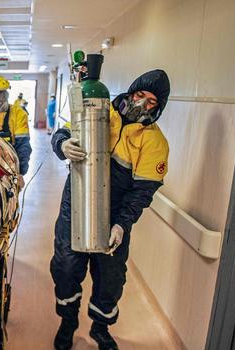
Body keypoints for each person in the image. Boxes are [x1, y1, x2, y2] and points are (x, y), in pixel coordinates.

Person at [50, 70, 170, 350]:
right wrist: (63, 145)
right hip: (77, 203)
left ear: (158, 107)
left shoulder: (153, 142)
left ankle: (100, 327)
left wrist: (121, 224)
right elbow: (63, 132)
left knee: (110, 278)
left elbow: (143, 191)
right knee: (66, 268)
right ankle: (67, 323)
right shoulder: (99, 112)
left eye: (151, 102)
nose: (142, 104)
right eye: (140, 95)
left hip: (115, 214)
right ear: (131, 92)